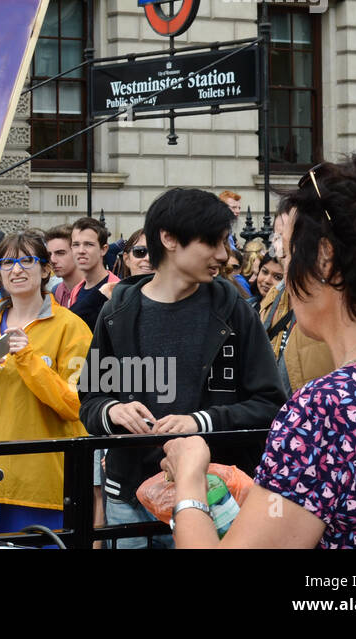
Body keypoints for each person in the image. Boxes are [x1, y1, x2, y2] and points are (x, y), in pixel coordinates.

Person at [163, 150, 356, 548]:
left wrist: (190, 484)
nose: (285, 279)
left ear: (326, 260)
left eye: (289, 256)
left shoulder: (327, 409)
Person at [78, 187, 286, 549]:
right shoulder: (118, 312)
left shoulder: (234, 310)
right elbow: (91, 400)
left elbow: (269, 404)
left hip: (214, 494)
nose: (223, 255)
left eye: (225, 243)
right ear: (169, 238)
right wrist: (113, 411)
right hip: (128, 497)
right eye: (212, 243)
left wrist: (200, 422)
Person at [0, 230, 91, 537]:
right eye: (6, 262)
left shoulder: (72, 327)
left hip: (41, 484)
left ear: (46, 269)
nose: (16, 269)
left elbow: (77, 405)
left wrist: (29, 359)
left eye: (26, 260)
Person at [68, 217, 119, 308]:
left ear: (103, 250)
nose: (81, 251)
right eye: (76, 245)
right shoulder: (76, 291)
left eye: (89, 244)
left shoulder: (117, 290)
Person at [45, 224, 83, 307]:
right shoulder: (56, 291)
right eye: (49, 254)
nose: (52, 260)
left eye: (60, 253)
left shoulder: (99, 290)